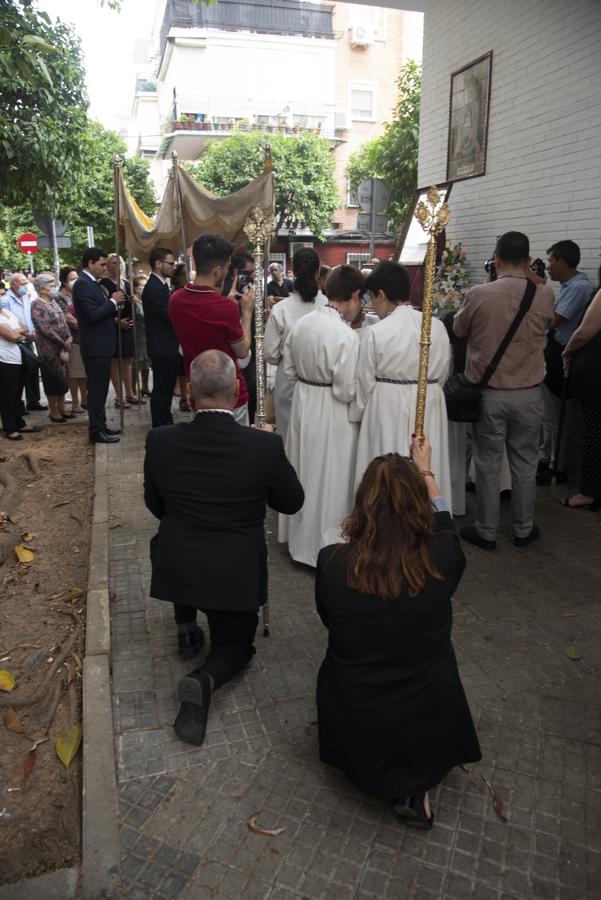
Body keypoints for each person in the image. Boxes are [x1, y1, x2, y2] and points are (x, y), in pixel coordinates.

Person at [316, 435, 481, 829]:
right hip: (426, 701)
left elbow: (329, 620)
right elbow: (446, 526)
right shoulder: (443, 559)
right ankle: (412, 785)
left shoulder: (332, 563)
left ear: (362, 505)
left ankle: (386, 775)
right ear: (417, 506)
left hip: (355, 705)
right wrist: (426, 471)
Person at [144, 350, 304, 745]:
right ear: (236, 390)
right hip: (234, 571)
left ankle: (186, 626)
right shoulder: (262, 447)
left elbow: (155, 504)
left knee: (171, 536)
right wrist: (272, 452)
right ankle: (204, 680)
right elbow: (291, 501)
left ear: (191, 394)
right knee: (235, 645)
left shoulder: (160, 440)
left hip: (178, 562)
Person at [454, 232, 555, 550]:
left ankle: (486, 531)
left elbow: (459, 329)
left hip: (490, 394)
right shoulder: (545, 295)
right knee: (525, 462)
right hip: (529, 392)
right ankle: (524, 529)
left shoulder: (479, 293)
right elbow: (548, 327)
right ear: (528, 261)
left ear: (496, 259)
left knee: (487, 461)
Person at [281, 265, 363, 565]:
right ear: (354, 295)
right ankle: (326, 546)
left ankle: (299, 543)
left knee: (303, 470)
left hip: (304, 402)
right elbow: (344, 390)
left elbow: (287, 372)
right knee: (331, 477)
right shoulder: (347, 336)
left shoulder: (302, 325)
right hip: (332, 410)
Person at [353, 261, 452, 502]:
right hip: (429, 401)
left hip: (386, 406)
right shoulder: (436, 327)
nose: (374, 306)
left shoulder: (376, 332)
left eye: (373, 299)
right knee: (426, 468)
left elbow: (363, 382)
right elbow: (444, 372)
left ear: (383, 295)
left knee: (387, 472)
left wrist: (358, 416)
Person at [169, 235, 254, 426]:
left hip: (198, 392)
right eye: (226, 267)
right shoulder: (225, 307)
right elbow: (242, 350)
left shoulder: (175, 300)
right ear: (218, 270)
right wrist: (247, 312)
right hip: (229, 395)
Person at [538, 240, 594, 485]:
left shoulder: (579, 287)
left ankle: (555, 464)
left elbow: (554, 321)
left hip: (563, 352)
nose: (549, 267)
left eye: (551, 261)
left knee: (554, 415)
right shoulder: (570, 286)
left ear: (562, 260)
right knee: (548, 413)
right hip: (555, 350)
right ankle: (547, 458)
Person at [264, 247, 326, 442]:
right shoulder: (330, 305)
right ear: (317, 272)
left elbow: (270, 353)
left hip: (289, 383)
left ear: (293, 271)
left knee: (289, 439)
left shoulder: (281, 309)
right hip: (323, 382)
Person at [72, 247, 125, 444]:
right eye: (102, 265)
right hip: (95, 347)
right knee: (96, 391)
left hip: (102, 346)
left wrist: (113, 305)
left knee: (101, 390)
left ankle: (100, 426)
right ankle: (96, 430)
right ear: (90, 263)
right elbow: (92, 315)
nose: (104, 269)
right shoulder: (82, 285)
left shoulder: (93, 284)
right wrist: (112, 302)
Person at [561, 282, 601, 509]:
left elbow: (585, 331)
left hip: (596, 374)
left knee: (594, 434)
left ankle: (590, 491)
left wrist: (568, 349)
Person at [142, 248, 178, 428]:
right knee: (162, 389)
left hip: (167, 346)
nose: (174, 266)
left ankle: (165, 421)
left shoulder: (162, 285)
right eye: (170, 263)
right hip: (162, 347)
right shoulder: (153, 288)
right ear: (158, 264)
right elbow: (169, 314)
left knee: (166, 389)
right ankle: (161, 425)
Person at [30, 273, 73, 423]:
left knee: (62, 379)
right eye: (51, 286)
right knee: (51, 379)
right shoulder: (37, 304)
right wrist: (62, 342)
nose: (55, 288)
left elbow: (63, 321)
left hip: (62, 348)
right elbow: (44, 328)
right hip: (48, 350)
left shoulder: (54, 302)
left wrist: (69, 338)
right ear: (42, 289)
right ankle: (53, 410)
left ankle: (62, 408)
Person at [5, 271, 47, 412]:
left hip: (30, 338)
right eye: (23, 283)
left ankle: (33, 400)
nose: (26, 285)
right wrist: (24, 333)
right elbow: (9, 322)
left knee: (32, 369)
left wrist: (32, 331)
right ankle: (18, 405)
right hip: (17, 341)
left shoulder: (25, 297)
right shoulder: (6, 299)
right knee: (19, 374)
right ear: (14, 284)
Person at [100, 254, 138, 409]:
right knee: (115, 361)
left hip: (128, 324)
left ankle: (130, 392)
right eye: (114, 263)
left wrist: (132, 300)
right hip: (113, 325)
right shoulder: (104, 284)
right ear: (108, 266)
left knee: (127, 360)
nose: (118, 266)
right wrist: (116, 321)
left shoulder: (126, 283)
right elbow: (104, 307)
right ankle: (118, 395)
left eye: (120, 263)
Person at [57, 266, 87, 415]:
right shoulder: (60, 297)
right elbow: (68, 318)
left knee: (84, 372)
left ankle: (85, 400)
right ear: (64, 281)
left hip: (85, 338)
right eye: (71, 279)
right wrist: (88, 325)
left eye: (77, 278)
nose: (75, 281)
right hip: (72, 339)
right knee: (75, 373)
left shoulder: (79, 293)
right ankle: (75, 402)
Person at [0, 294, 30, 440]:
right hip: (4, 360)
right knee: (7, 396)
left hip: (17, 358)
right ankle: (9, 428)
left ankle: (19, 423)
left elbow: (24, 328)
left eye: (2, 294)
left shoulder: (7, 313)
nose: (2, 297)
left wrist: (17, 332)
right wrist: (18, 332)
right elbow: (12, 336)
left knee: (17, 394)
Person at [171, 263, 191, 412]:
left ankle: (188, 396)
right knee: (182, 369)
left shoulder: (189, 291)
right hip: (178, 335)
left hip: (189, 334)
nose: (186, 276)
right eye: (183, 274)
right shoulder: (176, 293)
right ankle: (184, 397)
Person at [131, 275, 151, 399]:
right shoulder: (133, 303)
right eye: (140, 286)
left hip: (147, 337)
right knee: (136, 365)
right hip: (137, 337)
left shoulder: (147, 301)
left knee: (146, 364)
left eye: (145, 285)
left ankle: (145, 387)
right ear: (135, 288)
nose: (143, 288)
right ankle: (132, 389)